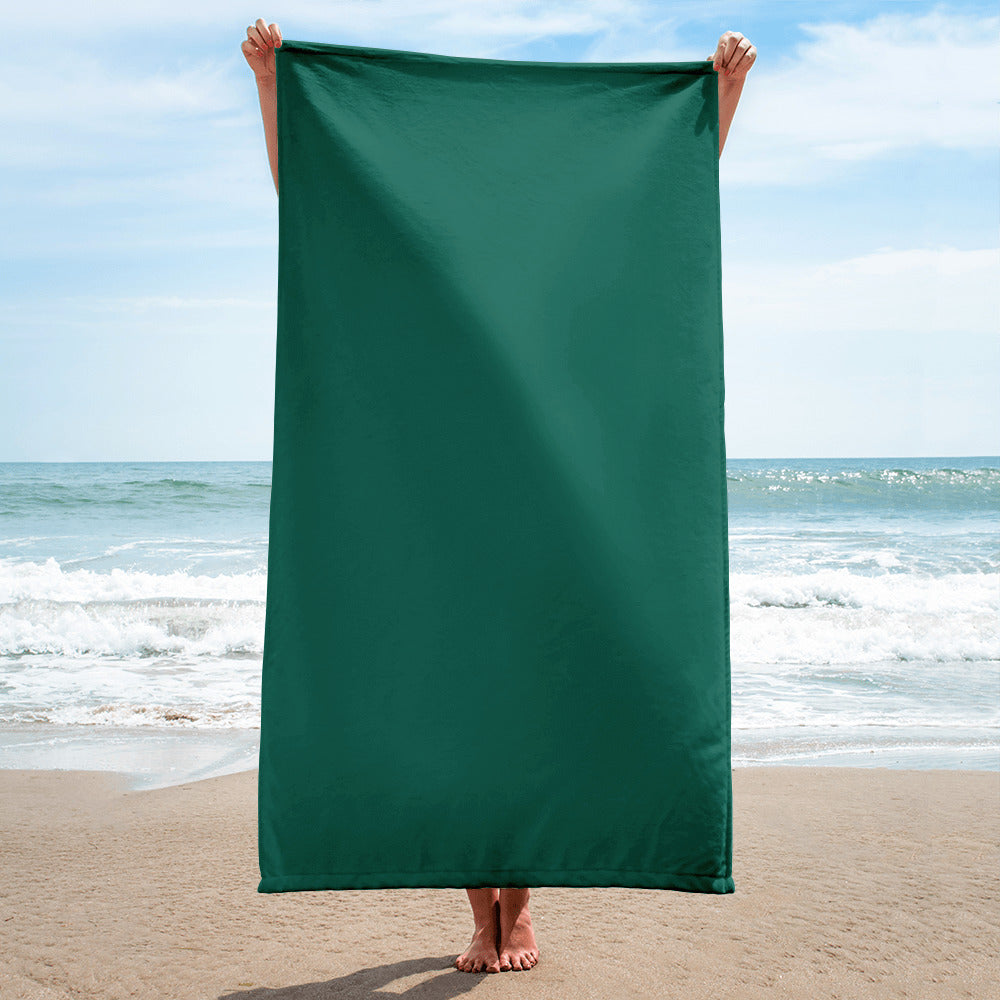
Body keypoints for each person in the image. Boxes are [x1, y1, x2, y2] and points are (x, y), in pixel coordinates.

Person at [242, 18, 755, 975]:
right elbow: (321, 198)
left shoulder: (550, 265)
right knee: (461, 698)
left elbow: (649, 198)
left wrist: (718, 97)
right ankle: (485, 913)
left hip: (548, 491)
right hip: (438, 495)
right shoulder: (414, 253)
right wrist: (276, 87)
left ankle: (516, 910)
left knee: (536, 703)